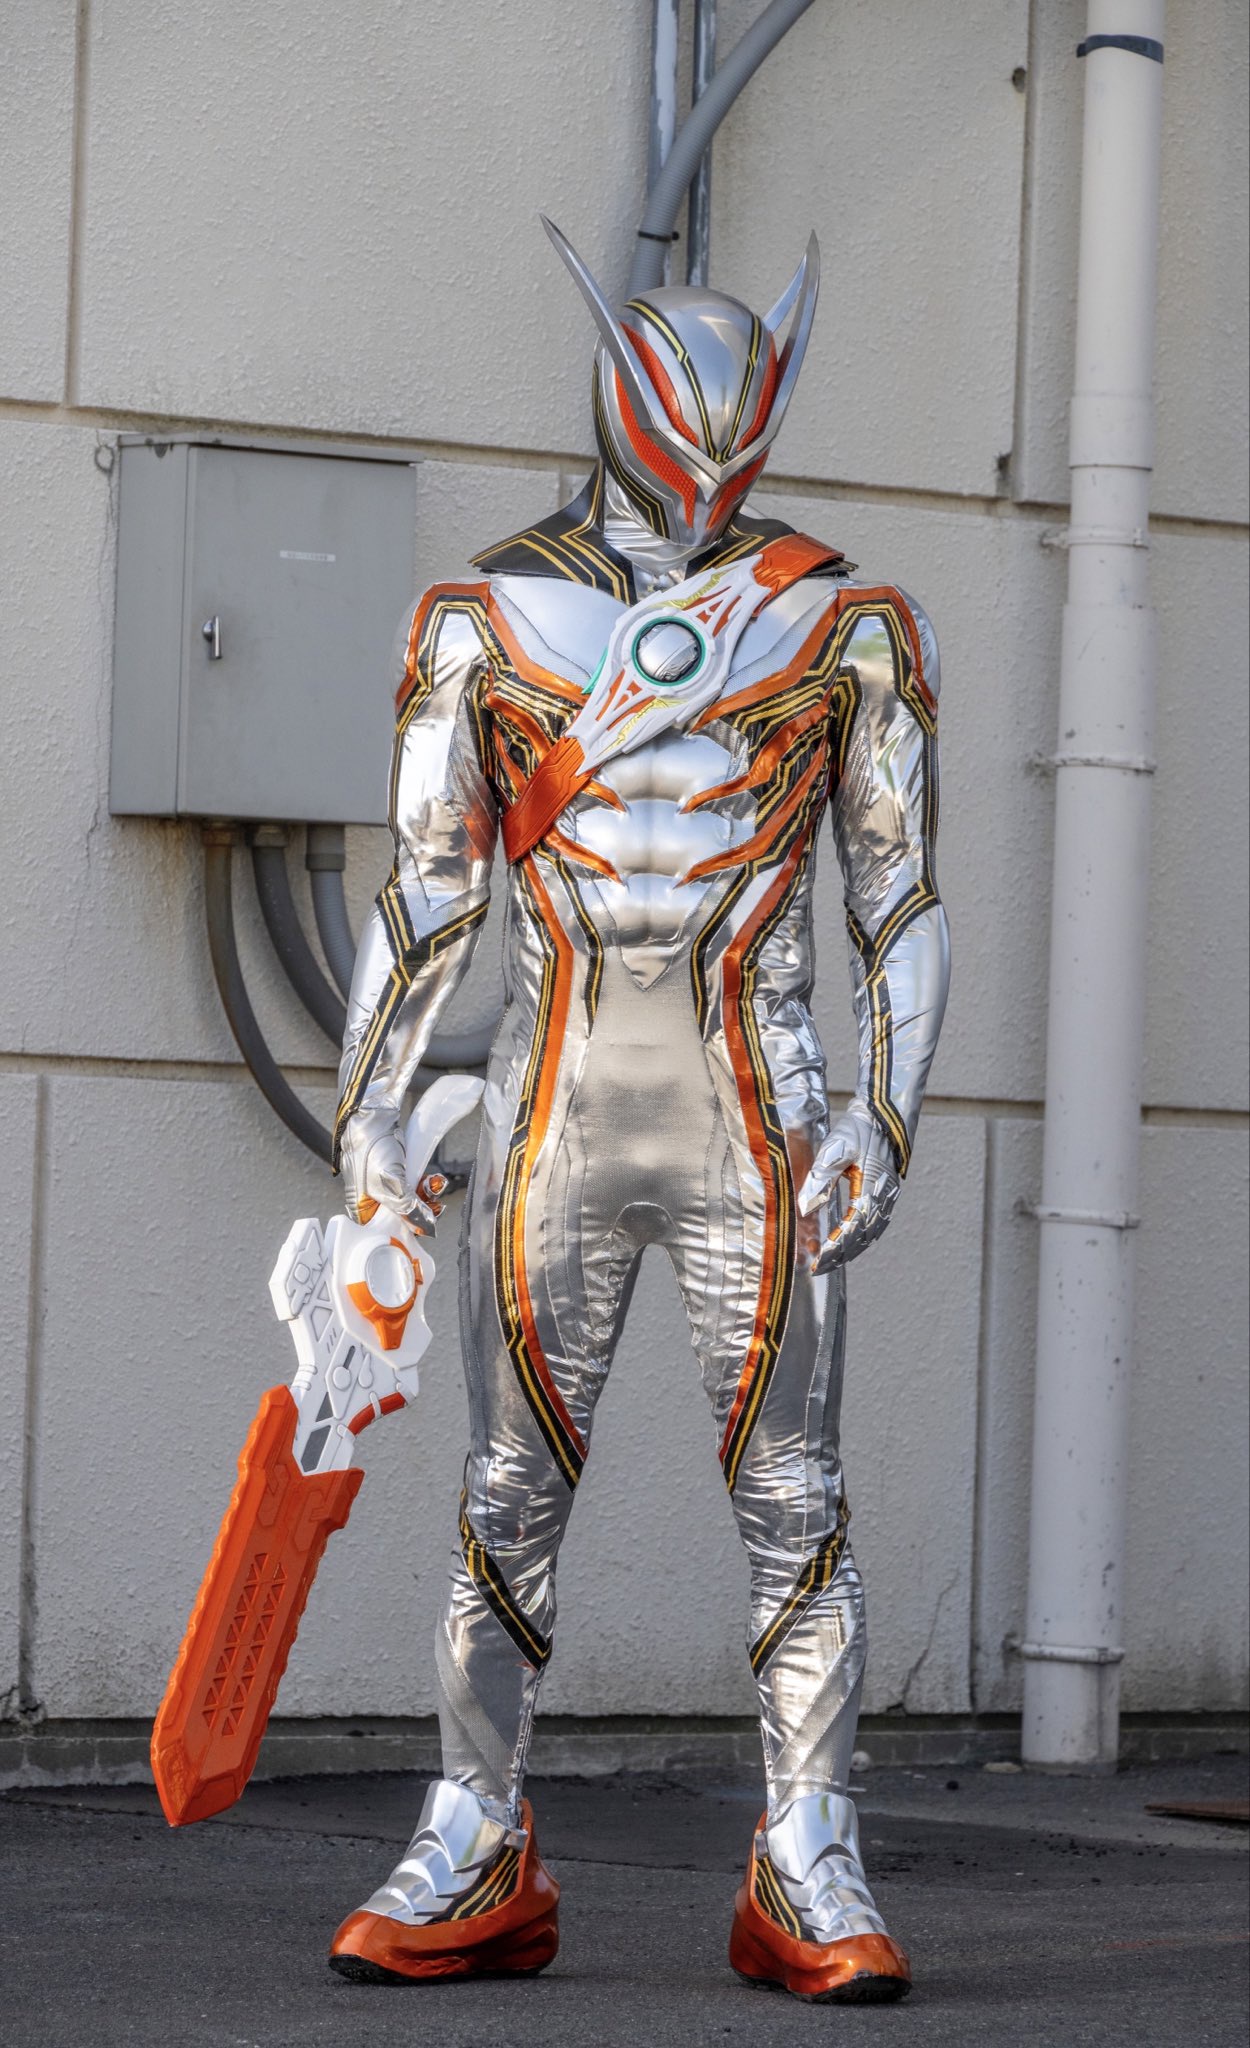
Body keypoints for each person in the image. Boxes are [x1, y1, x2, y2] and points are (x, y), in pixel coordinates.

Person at [327, 219, 949, 2004]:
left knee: (794, 1493)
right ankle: (472, 1834)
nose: (703, 460)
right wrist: (372, 1119)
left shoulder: (842, 621)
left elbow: (898, 896)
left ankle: (808, 1851)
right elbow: (429, 890)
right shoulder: (480, 616)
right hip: (555, 1105)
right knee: (507, 1484)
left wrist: (884, 1113)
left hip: (764, 1104)